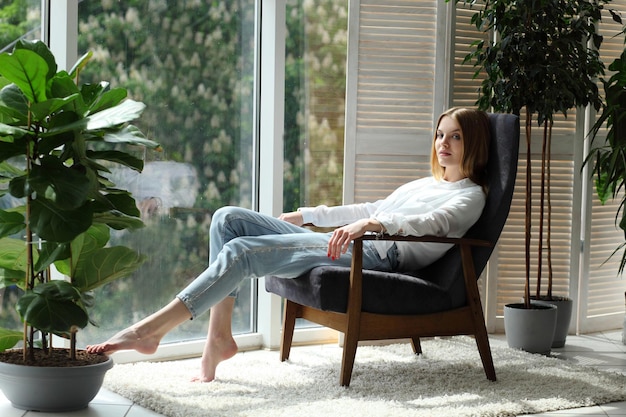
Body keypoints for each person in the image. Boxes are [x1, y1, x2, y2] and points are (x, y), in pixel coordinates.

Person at [86, 107, 492, 382]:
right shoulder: (426, 183)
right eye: (440, 134)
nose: (443, 143)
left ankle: (149, 331)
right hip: (361, 240)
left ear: (471, 143)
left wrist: (375, 222)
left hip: (381, 256)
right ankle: (219, 337)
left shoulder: (471, 195)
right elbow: (369, 205)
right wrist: (307, 215)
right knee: (228, 219)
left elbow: (432, 224)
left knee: (242, 252)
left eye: (455, 137)